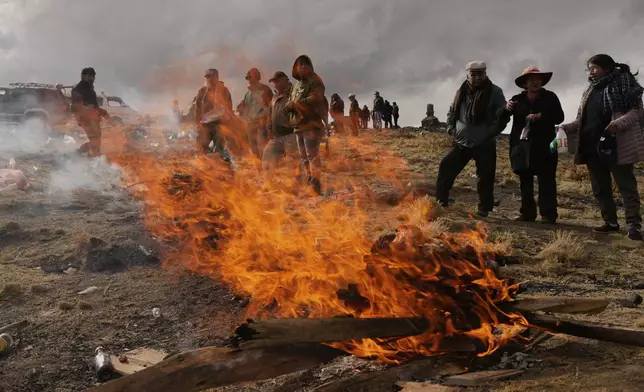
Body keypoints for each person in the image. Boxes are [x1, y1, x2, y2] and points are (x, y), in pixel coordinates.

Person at [561, 54, 644, 240]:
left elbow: (637, 111)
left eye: (594, 67)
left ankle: (633, 225)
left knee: (626, 185)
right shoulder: (590, 90)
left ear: (607, 68)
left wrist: (618, 123)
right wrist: (567, 127)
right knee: (600, 187)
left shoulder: (626, 86)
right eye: (589, 68)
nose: (591, 72)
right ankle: (611, 222)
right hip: (592, 145)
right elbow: (582, 119)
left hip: (617, 144)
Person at [435, 61, 506, 217]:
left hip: (485, 143)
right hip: (461, 142)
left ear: (485, 73)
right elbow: (451, 111)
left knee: (486, 176)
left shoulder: (495, 92)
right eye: (473, 74)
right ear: (468, 74)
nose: (477, 77)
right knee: (446, 166)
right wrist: (450, 128)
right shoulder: (461, 91)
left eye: (480, 73)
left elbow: (502, 117)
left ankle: (484, 209)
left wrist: (491, 132)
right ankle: (440, 202)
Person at [498, 67, 564, 224]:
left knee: (547, 179)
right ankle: (527, 213)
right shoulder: (516, 99)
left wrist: (542, 116)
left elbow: (559, 117)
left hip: (546, 145)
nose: (535, 82)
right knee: (525, 179)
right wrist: (506, 109)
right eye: (531, 80)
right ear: (525, 84)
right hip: (521, 146)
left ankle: (548, 215)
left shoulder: (550, 97)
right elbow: (501, 117)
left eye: (538, 79)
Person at [287, 54, 326, 195]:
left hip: (311, 123)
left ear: (310, 66)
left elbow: (317, 98)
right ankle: (309, 181)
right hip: (298, 125)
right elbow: (292, 100)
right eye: (300, 64)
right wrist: (289, 106)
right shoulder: (296, 85)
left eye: (305, 64)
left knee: (312, 156)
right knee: (303, 157)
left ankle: (316, 185)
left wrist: (295, 104)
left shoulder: (315, 81)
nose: (303, 67)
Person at [193, 68, 234, 162]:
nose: (209, 79)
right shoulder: (202, 91)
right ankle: (202, 170)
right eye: (207, 77)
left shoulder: (223, 90)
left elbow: (228, 107)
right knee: (201, 149)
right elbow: (197, 109)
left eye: (211, 77)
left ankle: (219, 170)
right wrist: (198, 124)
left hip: (218, 125)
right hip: (205, 125)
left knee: (218, 151)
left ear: (217, 77)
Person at [262, 71, 295, 178]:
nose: (275, 84)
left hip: (292, 134)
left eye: (277, 81)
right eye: (274, 82)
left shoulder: (295, 92)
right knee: (267, 157)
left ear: (285, 79)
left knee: (294, 163)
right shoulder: (275, 96)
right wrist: (269, 128)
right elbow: (270, 113)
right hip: (277, 136)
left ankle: (299, 187)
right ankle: (268, 184)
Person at [71, 67, 109, 157]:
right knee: (95, 139)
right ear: (83, 76)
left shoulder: (90, 89)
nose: (92, 78)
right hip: (86, 119)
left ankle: (83, 153)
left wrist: (103, 113)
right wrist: (90, 112)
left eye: (93, 76)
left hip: (93, 118)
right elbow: (77, 107)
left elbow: (94, 105)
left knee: (97, 138)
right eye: (89, 76)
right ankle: (94, 156)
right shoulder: (78, 89)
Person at [239, 68, 273, 161]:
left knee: (263, 149)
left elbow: (270, 107)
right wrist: (241, 112)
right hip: (250, 126)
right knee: (254, 151)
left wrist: (259, 117)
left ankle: (267, 171)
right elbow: (246, 111)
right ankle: (259, 172)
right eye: (247, 78)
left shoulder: (265, 89)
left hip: (262, 124)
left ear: (257, 77)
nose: (249, 80)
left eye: (251, 77)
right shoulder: (247, 94)